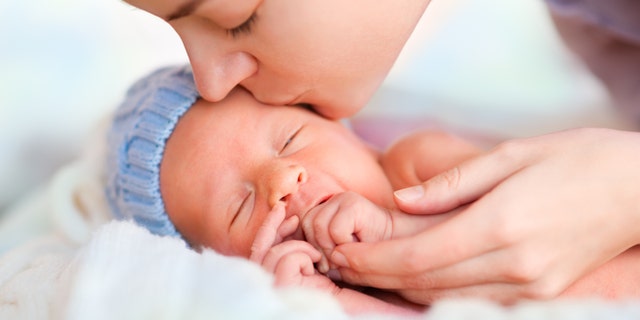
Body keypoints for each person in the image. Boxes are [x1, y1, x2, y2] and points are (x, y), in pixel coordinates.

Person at [119, 0, 640, 305]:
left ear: (357, 137)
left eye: (239, 19)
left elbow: (517, 202)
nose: (212, 80)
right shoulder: (598, 25)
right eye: (238, 209)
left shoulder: (415, 164)